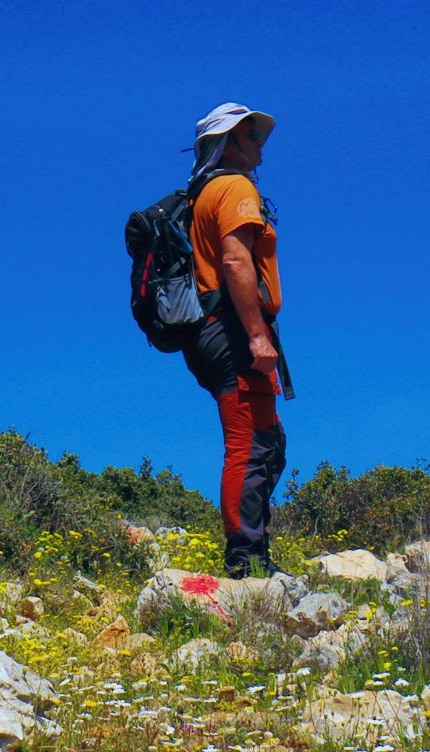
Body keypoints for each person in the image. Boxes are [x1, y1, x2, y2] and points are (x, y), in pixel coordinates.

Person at [183, 102, 292, 580]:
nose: (260, 154)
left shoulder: (202, 193)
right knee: (250, 442)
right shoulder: (233, 187)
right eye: (253, 141)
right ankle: (245, 564)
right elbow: (235, 262)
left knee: (266, 439)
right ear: (228, 141)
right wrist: (255, 335)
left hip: (212, 331)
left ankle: (255, 553)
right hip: (232, 329)